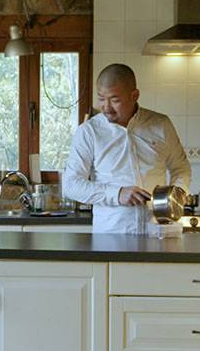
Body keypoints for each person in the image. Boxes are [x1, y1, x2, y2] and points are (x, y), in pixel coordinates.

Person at [63, 63, 191, 234]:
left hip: (156, 231)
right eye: (101, 98)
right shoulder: (89, 131)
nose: (106, 108)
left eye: (115, 100)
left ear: (134, 95)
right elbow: (71, 184)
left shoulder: (161, 124)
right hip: (111, 235)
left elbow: (180, 168)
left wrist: (177, 194)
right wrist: (117, 194)